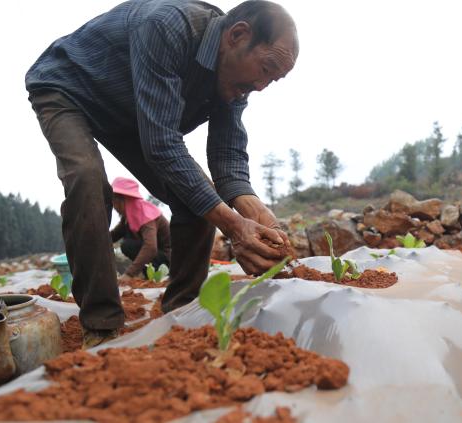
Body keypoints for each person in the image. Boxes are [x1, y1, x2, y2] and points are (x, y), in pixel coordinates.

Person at [26, 0, 298, 348]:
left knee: (197, 192)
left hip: (134, 112)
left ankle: (180, 313)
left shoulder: (237, 81)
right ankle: (102, 324)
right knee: (87, 179)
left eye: (273, 80)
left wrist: (254, 211)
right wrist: (233, 227)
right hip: (70, 88)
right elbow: (162, 144)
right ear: (237, 36)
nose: (262, 86)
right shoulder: (167, 27)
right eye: (265, 69)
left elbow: (227, 155)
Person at [109, 177, 172, 281]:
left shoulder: (145, 215)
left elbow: (151, 247)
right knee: (127, 242)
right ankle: (148, 274)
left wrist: (129, 274)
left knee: (128, 245)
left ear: (123, 200)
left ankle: (156, 275)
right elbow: (114, 235)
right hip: (157, 256)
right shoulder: (129, 217)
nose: (114, 207)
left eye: (114, 202)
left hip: (167, 259)